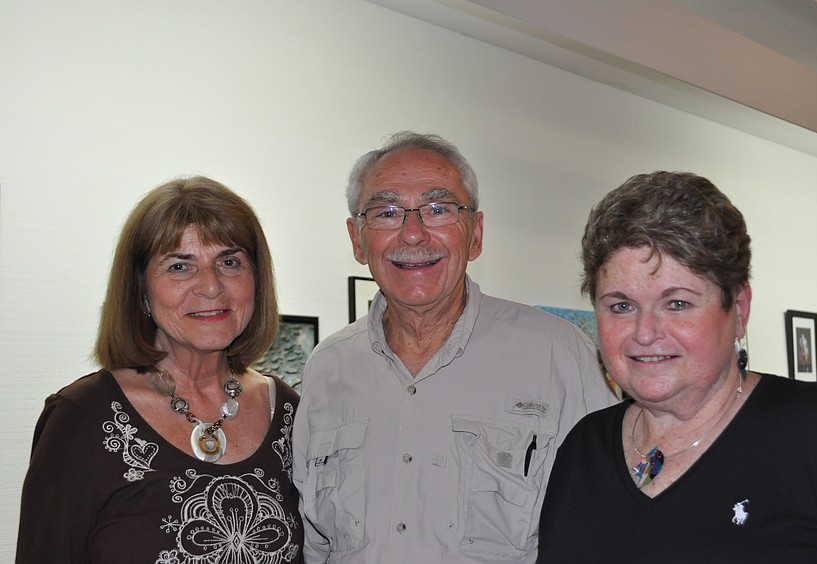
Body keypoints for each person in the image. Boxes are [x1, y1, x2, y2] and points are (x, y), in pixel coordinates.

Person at [292, 131, 616, 563]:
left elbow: (609, 525)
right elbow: (317, 546)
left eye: (438, 209)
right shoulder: (327, 368)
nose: (413, 234)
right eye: (387, 212)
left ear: (476, 234)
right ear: (357, 239)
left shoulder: (559, 355)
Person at [538, 171, 817, 562]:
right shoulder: (585, 448)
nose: (645, 333)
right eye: (621, 306)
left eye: (677, 303)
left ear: (738, 309)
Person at [16, 177, 303, 563]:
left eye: (230, 262)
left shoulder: (287, 411)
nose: (211, 286)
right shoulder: (82, 416)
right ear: (140, 290)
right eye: (180, 266)